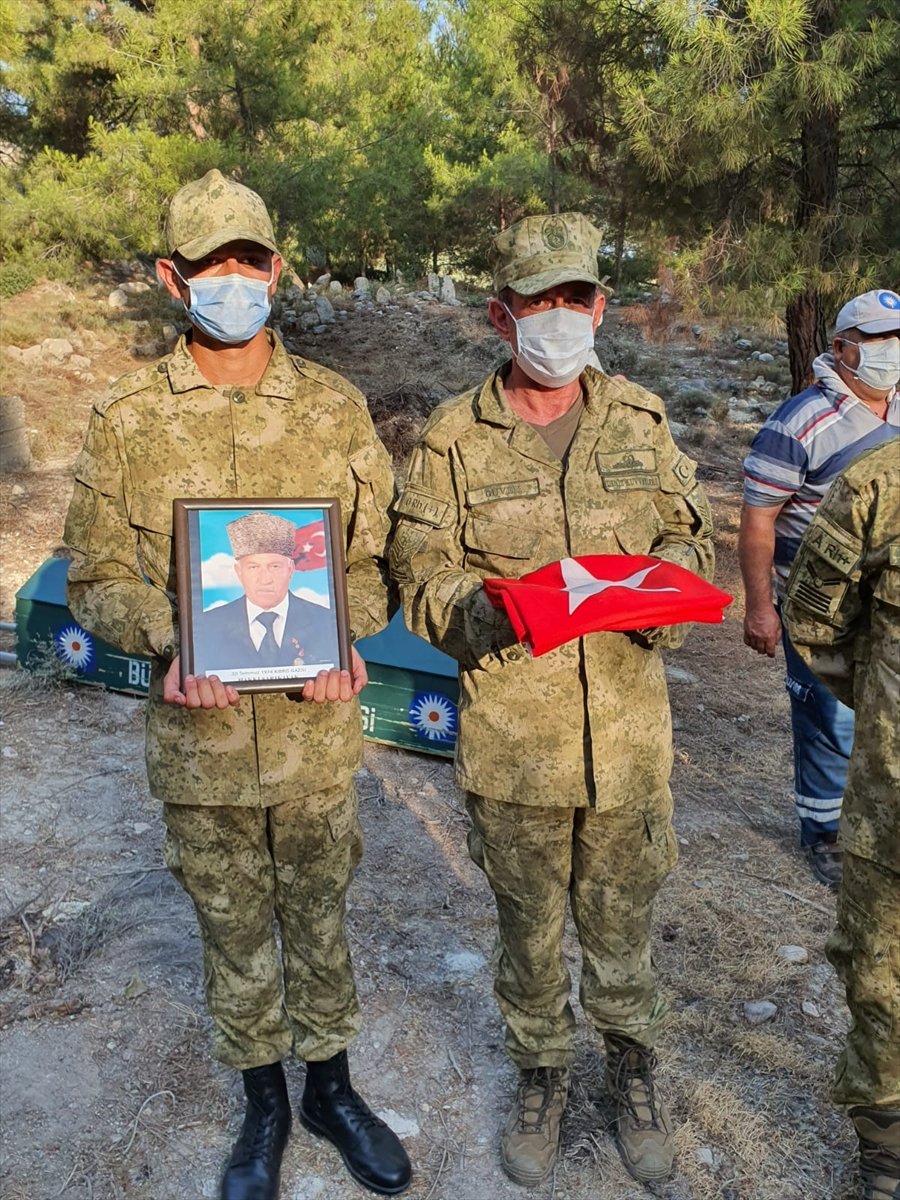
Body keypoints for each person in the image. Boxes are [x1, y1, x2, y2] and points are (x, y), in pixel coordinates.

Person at [64, 169, 411, 1200]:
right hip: (201, 739)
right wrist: (175, 643)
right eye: (209, 265)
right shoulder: (128, 417)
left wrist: (348, 637)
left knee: (318, 908)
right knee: (229, 918)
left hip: (313, 731)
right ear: (174, 279)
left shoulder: (335, 409)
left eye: (247, 262)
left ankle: (332, 1089)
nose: (232, 280)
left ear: (276, 269)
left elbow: (369, 564)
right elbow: (96, 579)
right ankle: (263, 1101)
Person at [389, 212, 715, 1188]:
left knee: (622, 930)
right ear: (502, 315)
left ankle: (632, 1074)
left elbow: (688, 539)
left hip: (624, 744)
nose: (561, 317)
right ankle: (541, 1074)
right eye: (540, 300)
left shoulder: (643, 423)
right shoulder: (451, 437)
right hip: (514, 744)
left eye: (577, 297)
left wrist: (664, 601)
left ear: (601, 308)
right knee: (529, 931)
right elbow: (417, 575)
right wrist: (494, 613)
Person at [739, 289, 900, 887]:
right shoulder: (799, 421)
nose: (893, 353)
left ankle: (875, 821)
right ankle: (825, 832)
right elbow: (758, 518)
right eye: (881, 341)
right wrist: (761, 608)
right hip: (817, 606)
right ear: (842, 348)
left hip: (888, 602)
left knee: (885, 714)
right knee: (828, 719)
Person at [782, 441, 899, 1200]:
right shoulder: (878, 484)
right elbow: (817, 621)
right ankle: (886, 1152)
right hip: (893, 802)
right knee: (883, 977)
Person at [195, 512, 338, 674]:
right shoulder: (207, 626)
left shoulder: (326, 622)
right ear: (238, 572)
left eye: (275, 566)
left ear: (290, 569)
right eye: (253, 567)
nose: (265, 579)